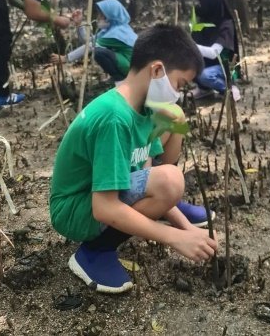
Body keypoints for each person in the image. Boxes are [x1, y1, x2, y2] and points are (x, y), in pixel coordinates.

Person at [50, 24, 218, 294]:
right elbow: (104, 208)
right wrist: (175, 237)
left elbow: (145, 174)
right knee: (169, 181)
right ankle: (94, 252)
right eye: (179, 84)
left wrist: (188, 230)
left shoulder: (144, 108)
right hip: (76, 210)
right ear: (157, 70)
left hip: (100, 196)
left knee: (170, 159)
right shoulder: (114, 118)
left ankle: (166, 205)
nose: (178, 93)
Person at [50, 0, 137, 85]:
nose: (98, 18)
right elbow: (87, 40)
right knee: (98, 50)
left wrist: (66, 58)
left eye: (101, 15)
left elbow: (91, 46)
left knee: (99, 52)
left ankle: (120, 80)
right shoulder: (110, 30)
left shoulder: (117, 33)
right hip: (128, 63)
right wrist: (79, 24)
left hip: (131, 66)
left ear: (110, 16)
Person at [191, 0, 240, 101]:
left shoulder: (226, 25)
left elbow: (214, 53)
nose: (199, 6)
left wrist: (190, 46)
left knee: (205, 75)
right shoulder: (202, 22)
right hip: (206, 65)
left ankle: (228, 87)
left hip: (224, 67)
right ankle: (204, 89)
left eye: (202, 3)